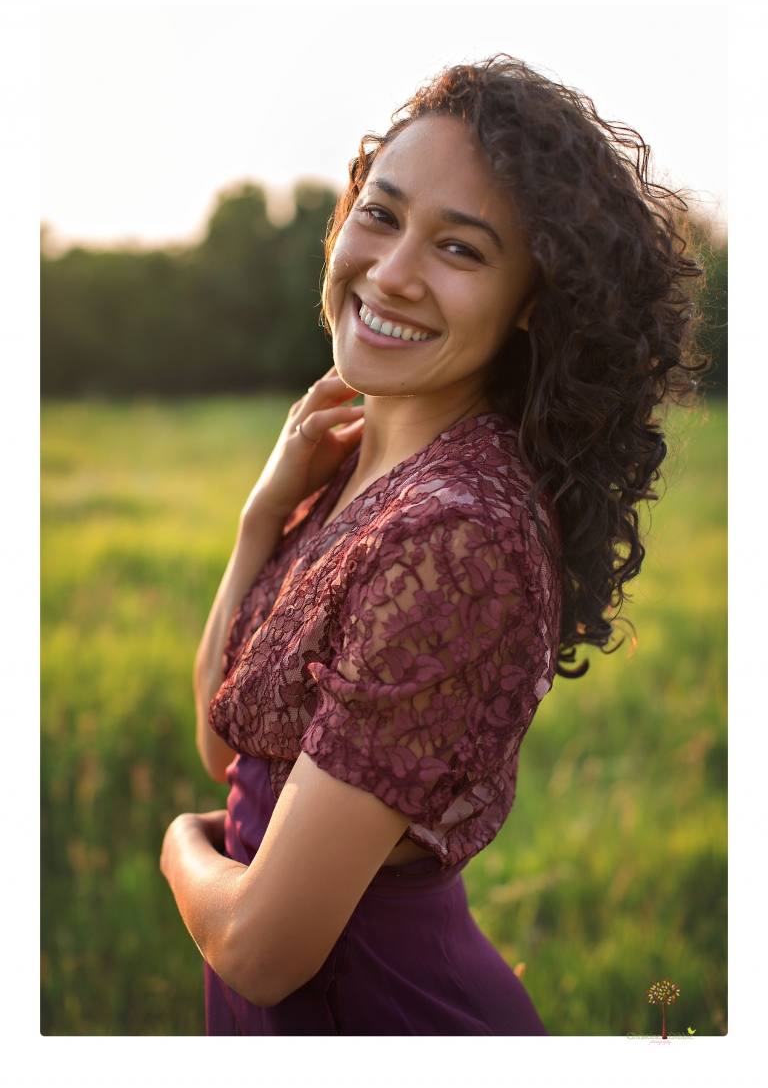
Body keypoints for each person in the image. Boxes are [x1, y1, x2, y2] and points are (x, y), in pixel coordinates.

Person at [160, 56, 704, 1035]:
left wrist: (176, 850)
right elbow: (223, 739)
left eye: (459, 248)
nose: (392, 270)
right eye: (381, 213)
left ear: (534, 300)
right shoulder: (357, 465)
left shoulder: (460, 533)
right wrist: (259, 522)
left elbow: (263, 950)